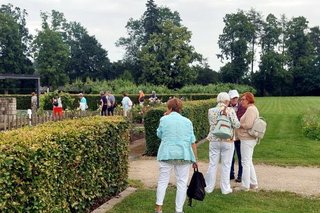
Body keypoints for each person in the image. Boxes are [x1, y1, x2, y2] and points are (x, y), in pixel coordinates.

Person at [155, 98, 198, 213]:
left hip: (166, 154)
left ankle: (158, 208)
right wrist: (195, 159)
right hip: (184, 155)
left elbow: (159, 134)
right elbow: (192, 141)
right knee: (182, 183)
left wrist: (165, 117)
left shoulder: (164, 119)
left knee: (163, 181)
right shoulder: (187, 121)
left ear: (169, 108)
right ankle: (179, 210)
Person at [204, 92, 240, 195]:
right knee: (226, 165)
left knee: (212, 164)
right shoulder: (230, 110)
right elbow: (236, 125)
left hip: (214, 139)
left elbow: (212, 124)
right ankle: (225, 188)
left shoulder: (211, 111)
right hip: (227, 140)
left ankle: (209, 187)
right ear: (227, 101)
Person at [235, 92, 260, 191]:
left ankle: (245, 186)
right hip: (249, 139)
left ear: (249, 100)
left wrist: (238, 124)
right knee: (248, 161)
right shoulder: (251, 109)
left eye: (243, 99)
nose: (241, 101)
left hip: (247, 139)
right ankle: (253, 183)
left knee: (245, 162)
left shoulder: (251, 109)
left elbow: (248, 124)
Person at [228, 90, 246, 183]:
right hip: (230, 135)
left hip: (238, 135)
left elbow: (241, 120)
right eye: (233, 98)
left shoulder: (242, 107)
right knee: (230, 155)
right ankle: (231, 173)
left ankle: (240, 174)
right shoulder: (227, 107)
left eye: (236, 98)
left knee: (240, 155)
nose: (235, 99)